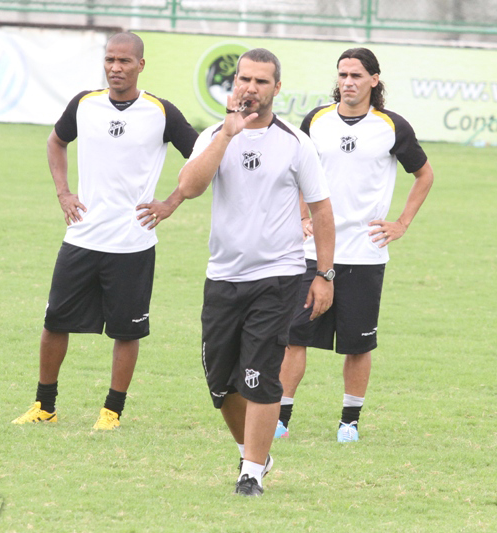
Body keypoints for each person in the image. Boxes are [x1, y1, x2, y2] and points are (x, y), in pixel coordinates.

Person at [12, 32, 198, 430]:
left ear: (141, 66)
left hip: (132, 244)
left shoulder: (161, 112)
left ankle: (111, 412)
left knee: (126, 332)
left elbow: (201, 159)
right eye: (110, 60)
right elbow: (55, 142)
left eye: (125, 61)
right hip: (82, 237)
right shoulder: (84, 104)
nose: (116, 68)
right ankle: (45, 405)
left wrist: (171, 202)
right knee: (54, 323)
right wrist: (63, 192)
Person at [176, 48, 336, 496]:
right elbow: (189, 187)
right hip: (224, 276)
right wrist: (227, 135)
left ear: (277, 89)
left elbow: (322, 212)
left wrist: (324, 274)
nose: (250, 88)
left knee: (259, 375)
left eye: (261, 81)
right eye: (244, 79)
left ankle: (249, 472)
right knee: (221, 384)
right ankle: (258, 453)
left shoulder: (295, 143)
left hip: (278, 275)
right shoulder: (213, 134)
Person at [276, 47, 434, 443]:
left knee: (358, 344)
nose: (348, 82)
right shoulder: (316, 121)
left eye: (357, 75)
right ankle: (280, 417)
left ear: (374, 80)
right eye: (343, 74)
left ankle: (349, 421)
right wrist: (300, 216)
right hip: (313, 252)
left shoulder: (391, 126)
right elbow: (297, 171)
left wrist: (401, 223)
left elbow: (425, 175)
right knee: (295, 336)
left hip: (364, 253)